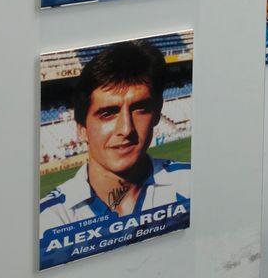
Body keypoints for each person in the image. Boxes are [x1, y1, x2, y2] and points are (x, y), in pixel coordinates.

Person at [39, 41, 190, 233]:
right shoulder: (49, 219)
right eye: (107, 114)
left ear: (157, 113)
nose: (126, 129)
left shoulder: (191, 182)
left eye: (140, 109)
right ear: (82, 129)